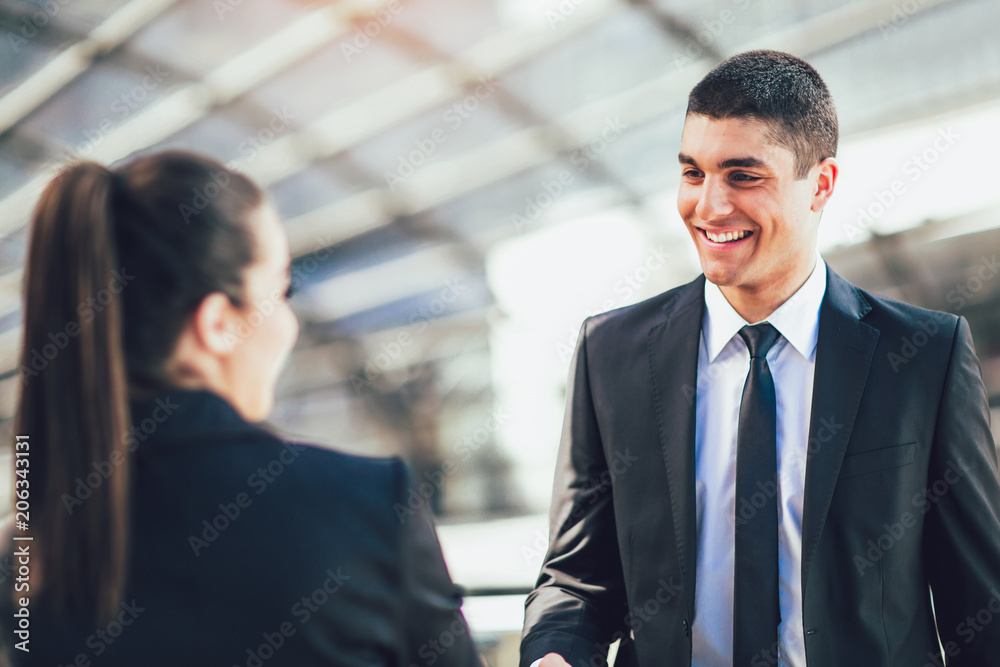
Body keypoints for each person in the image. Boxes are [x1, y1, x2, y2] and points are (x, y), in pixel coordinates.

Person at [520, 50, 1000, 667]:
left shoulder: (924, 359)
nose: (709, 206)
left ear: (820, 184)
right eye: (693, 173)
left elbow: (980, 609)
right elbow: (576, 578)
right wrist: (554, 653)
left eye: (743, 176)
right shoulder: (610, 354)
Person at [0, 151, 482, 666]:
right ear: (217, 323)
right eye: (282, 291)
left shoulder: (28, 558)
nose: (290, 324)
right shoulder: (369, 508)